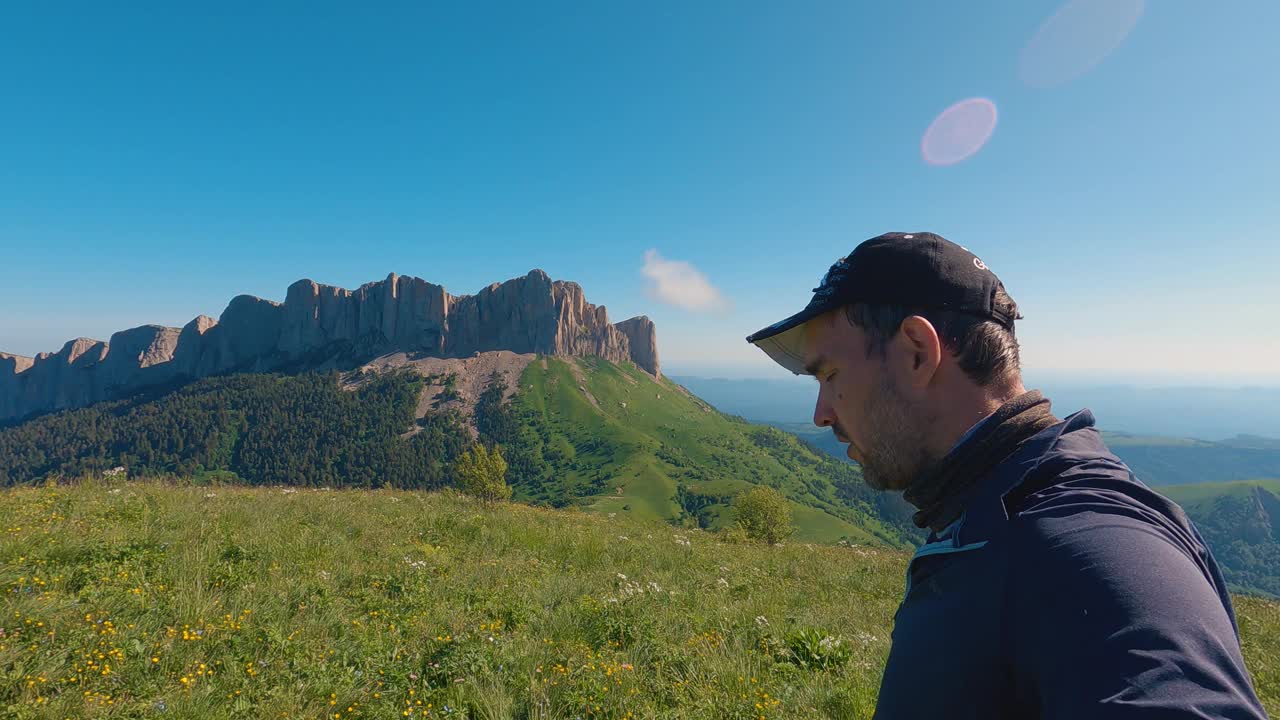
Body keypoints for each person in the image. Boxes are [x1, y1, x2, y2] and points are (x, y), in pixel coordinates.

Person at [746, 232, 1268, 719]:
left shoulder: (1090, 543)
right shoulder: (990, 507)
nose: (821, 413)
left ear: (916, 353)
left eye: (830, 374)